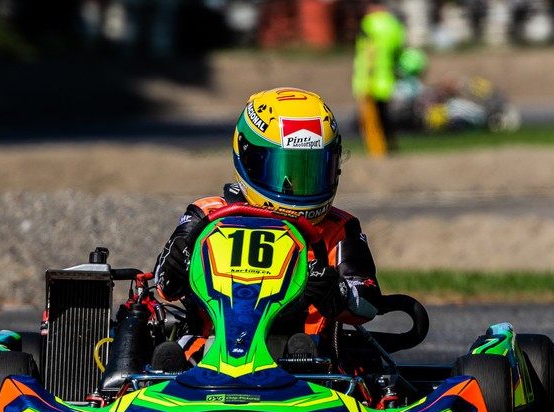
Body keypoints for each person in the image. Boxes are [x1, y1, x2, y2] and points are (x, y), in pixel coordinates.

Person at [146, 87, 382, 368]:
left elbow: (367, 301)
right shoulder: (207, 216)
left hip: (307, 361)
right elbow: (164, 287)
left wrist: (335, 293)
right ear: (249, 159)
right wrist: (176, 266)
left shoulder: (339, 229)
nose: (297, 187)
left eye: (311, 171)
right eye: (285, 173)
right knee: (166, 354)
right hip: (206, 352)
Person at [352, 0, 406, 154]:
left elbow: (369, 50)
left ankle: (377, 150)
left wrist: (367, 76)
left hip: (368, 77)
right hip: (386, 77)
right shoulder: (394, 25)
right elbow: (398, 50)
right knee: (385, 114)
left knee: (371, 118)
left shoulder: (369, 24)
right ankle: (391, 145)